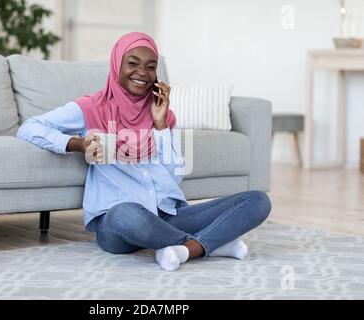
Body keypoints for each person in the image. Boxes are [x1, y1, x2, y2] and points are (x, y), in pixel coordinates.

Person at [17, 32, 271, 271]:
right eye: (133, 63)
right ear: (117, 65)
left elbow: (174, 178)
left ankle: (183, 248)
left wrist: (160, 124)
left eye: (151, 66)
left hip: (167, 216)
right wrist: (78, 144)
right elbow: (30, 127)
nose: (142, 72)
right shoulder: (90, 107)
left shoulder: (163, 114)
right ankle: (206, 245)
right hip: (116, 223)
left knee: (257, 201)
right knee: (126, 213)